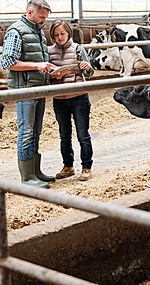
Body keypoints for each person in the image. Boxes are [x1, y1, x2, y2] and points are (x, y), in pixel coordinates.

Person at [1, 0, 57, 189]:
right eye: (41, 17)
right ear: (29, 13)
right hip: (24, 89)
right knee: (26, 131)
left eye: (46, 18)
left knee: (36, 131)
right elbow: (8, 62)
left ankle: (35, 171)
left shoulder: (39, 33)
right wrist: (37, 65)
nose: (44, 22)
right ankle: (26, 178)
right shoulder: (16, 31)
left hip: (38, 86)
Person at [49, 19, 94, 181]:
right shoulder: (49, 52)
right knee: (64, 135)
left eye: (62, 33)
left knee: (83, 134)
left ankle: (86, 167)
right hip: (59, 98)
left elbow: (90, 73)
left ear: (68, 32)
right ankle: (68, 166)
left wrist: (87, 68)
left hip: (79, 97)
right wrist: (53, 76)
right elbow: (46, 78)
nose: (59, 37)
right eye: (56, 35)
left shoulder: (78, 49)